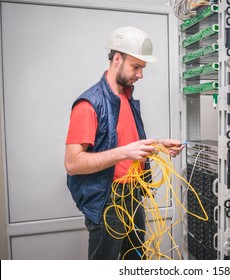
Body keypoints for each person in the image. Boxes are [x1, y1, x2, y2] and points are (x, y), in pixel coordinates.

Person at [64, 26, 184, 260]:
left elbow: (125, 143)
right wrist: (123, 153)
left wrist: (158, 145)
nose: (140, 75)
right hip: (108, 201)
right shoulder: (89, 104)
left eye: (142, 68)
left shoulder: (126, 97)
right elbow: (73, 163)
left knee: (136, 261)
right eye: (136, 66)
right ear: (117, 59)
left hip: (133, 194)